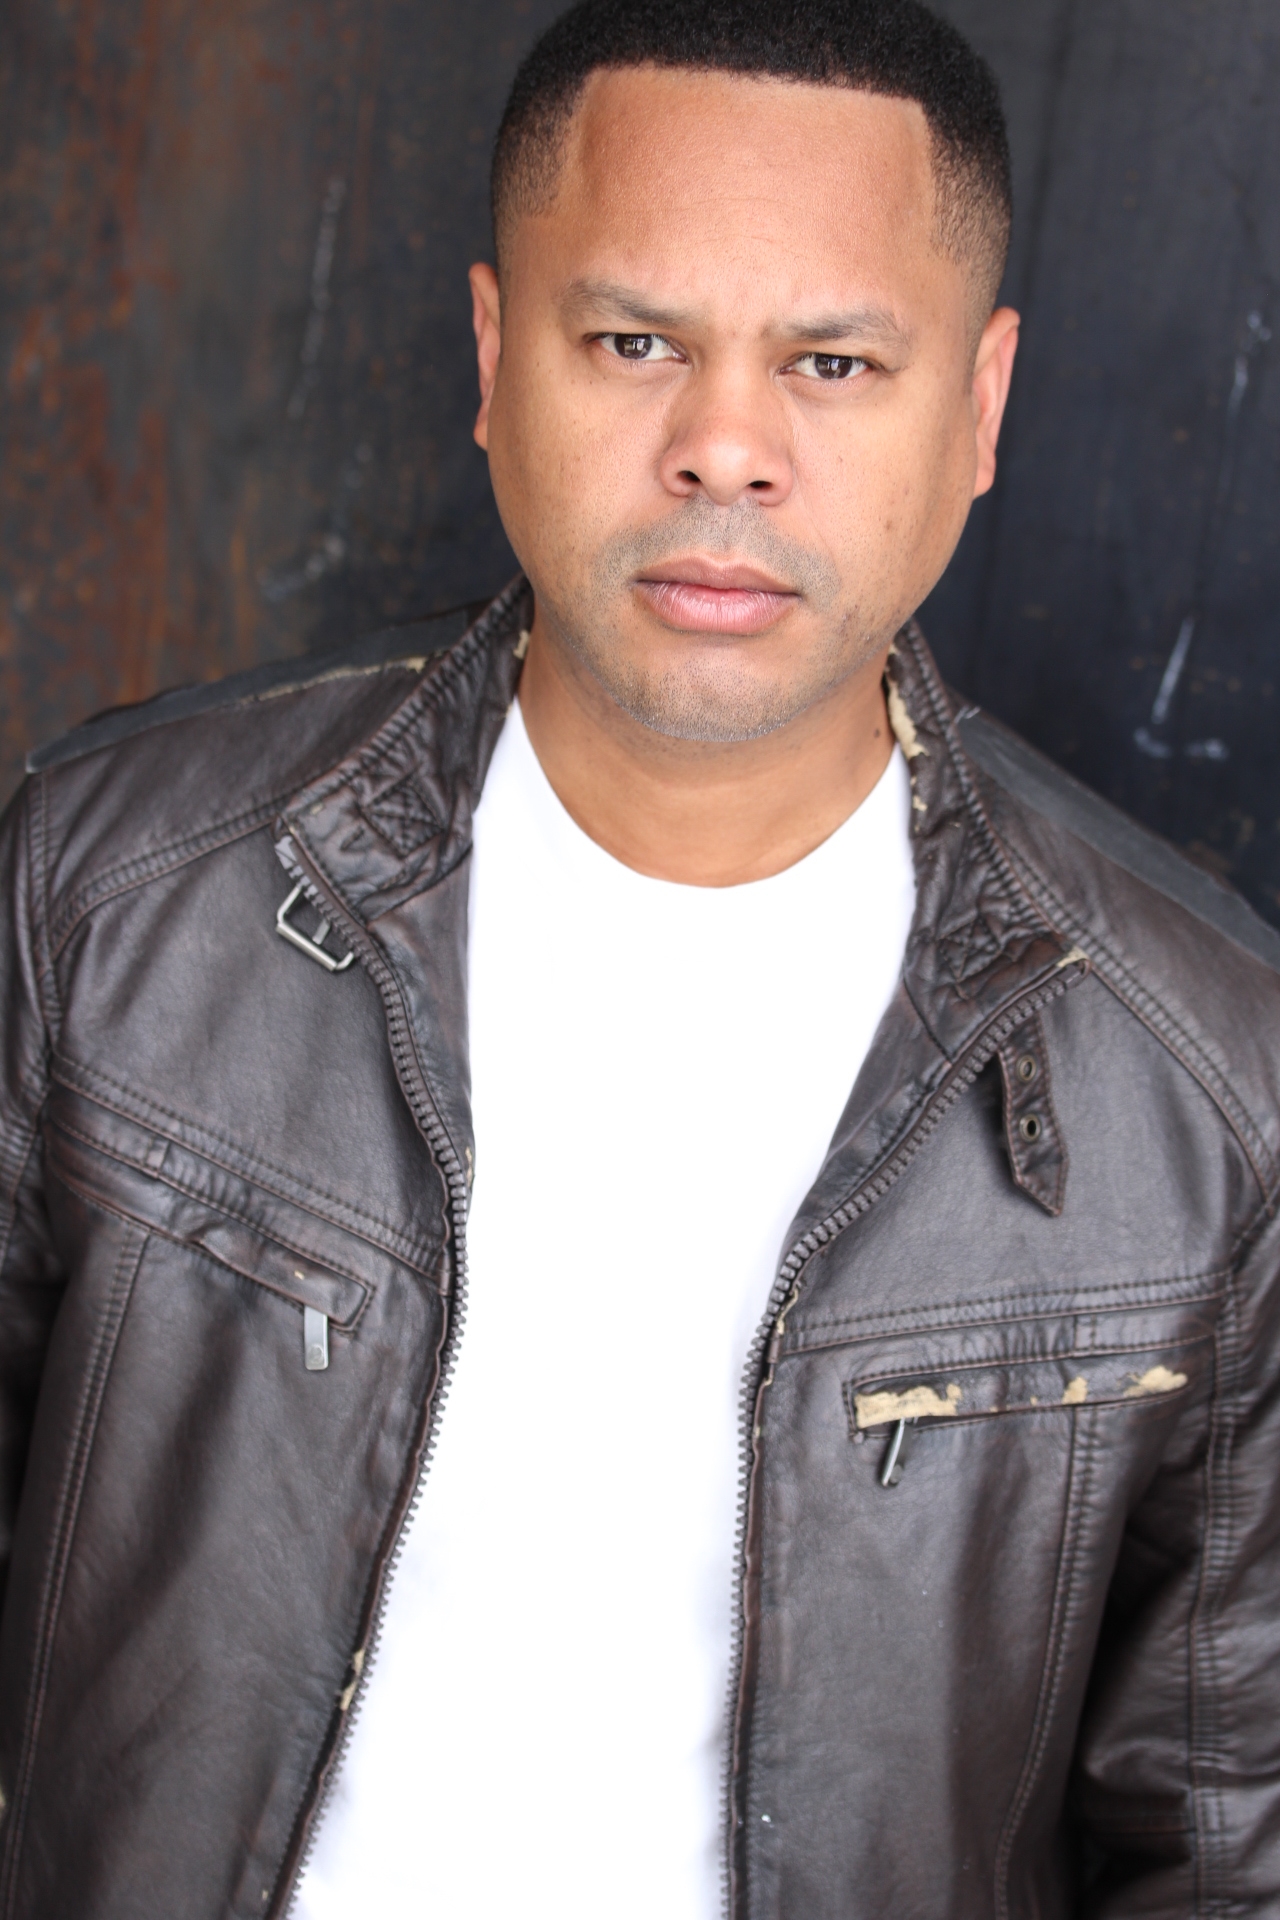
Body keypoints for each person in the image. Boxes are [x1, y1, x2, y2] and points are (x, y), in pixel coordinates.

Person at [2, 0, 1280, 1913]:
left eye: (834, 362)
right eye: (635, 344)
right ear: (495, 357)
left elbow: (1226, 1851)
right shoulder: (111, 895)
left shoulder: (1207, 1085)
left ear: (981, 406)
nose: (726, 450)